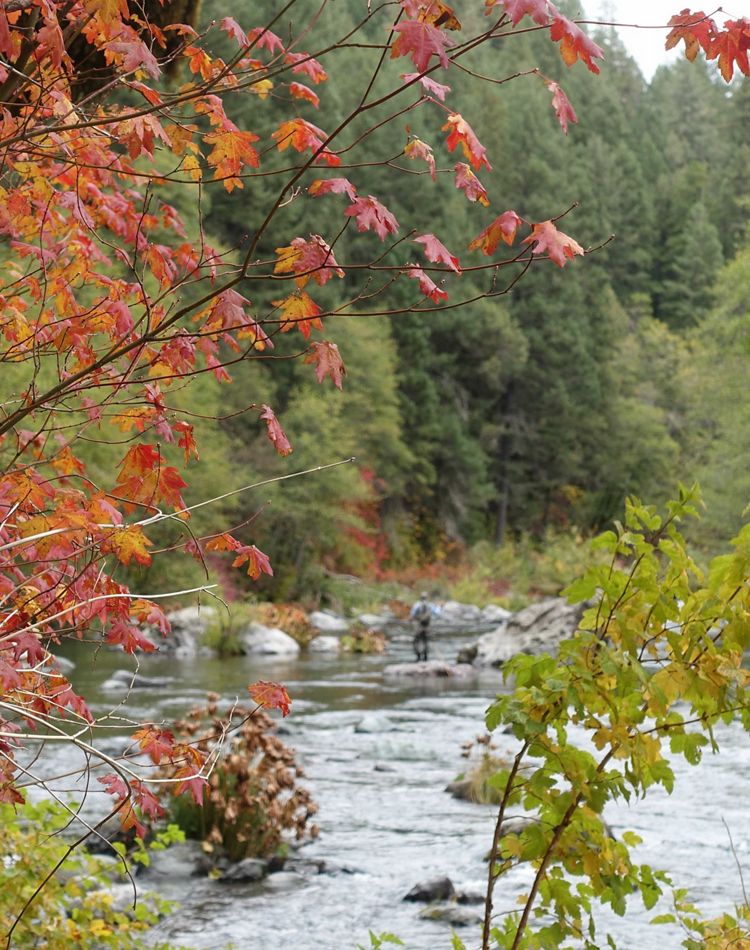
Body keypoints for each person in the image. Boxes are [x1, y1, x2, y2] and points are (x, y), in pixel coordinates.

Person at [410, 592, 438, 662]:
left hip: (418, 626)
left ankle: (418, 657)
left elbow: (412, 614)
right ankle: (425, 657)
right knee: (425, 641)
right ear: (427, 598)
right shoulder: (430, 605)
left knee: (416, 641)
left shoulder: (417, 604)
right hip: (427, 627)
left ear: (420, 598)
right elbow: (437, 612)